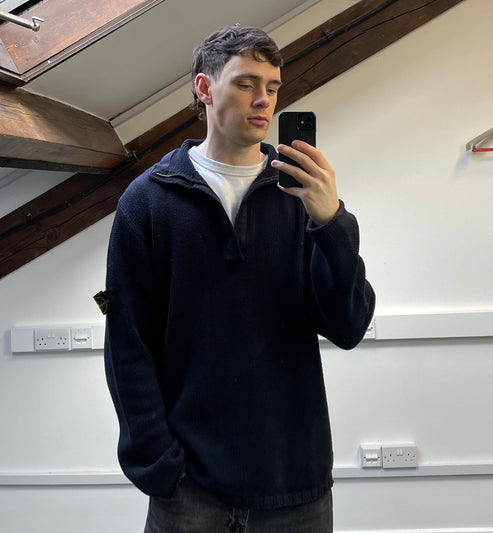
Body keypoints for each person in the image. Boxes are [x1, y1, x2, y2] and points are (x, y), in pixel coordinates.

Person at [103, 24, 375, 533]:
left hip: (296, 484)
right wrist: (160, 464)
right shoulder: (148, 200)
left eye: (272, 87)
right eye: (246, 83)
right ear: (204, 89)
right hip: (189, 490)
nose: (264, 100)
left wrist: (332, 221)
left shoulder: (303, 196)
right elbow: (127, 344)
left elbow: (349, 326)